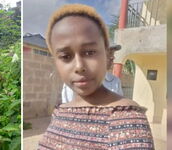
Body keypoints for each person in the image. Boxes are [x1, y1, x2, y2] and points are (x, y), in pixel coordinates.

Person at [38, 4, 154, 149]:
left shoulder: (128, 122)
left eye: (89, 52)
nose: (79, 66)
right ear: (56, 62)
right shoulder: (60, 112)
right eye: (66, 56)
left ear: (107, 55)